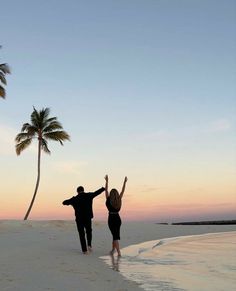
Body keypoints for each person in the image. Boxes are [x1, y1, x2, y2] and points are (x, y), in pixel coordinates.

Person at [62, 185, 105, 254]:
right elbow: (96, 193)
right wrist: (103, 188)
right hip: (88, 217)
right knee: (89, 231)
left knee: (81, 234)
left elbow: (64, 202)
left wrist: (71, 202)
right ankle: (89, 245)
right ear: (83, 190)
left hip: (79, 219)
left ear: (77, 191)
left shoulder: (75, 199)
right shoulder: (88, 195)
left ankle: (84, 250)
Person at [104, 175, 128, 256]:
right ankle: (113, 250)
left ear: (111, 194)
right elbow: (122, 191)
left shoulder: (108, 200)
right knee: (114, 235)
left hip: (111, 219)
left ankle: (119, 253)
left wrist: (107, 181)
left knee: (115, 236)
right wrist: (125, 182)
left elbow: (106, 190)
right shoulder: (119, 200)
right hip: (118, 219)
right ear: (117, 194)